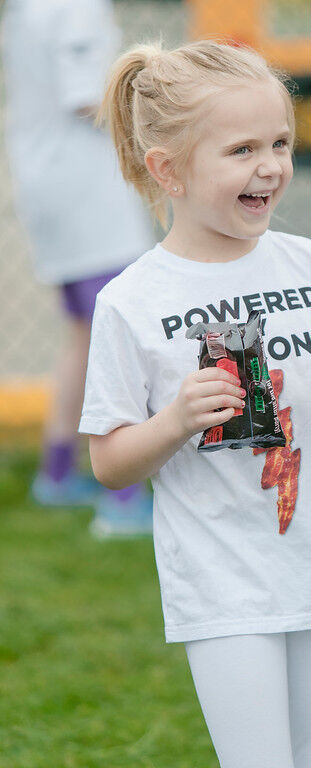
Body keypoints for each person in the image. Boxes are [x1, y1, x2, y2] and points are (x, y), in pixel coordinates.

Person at [78, 40, 311, 767]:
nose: (270, 165)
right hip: (223, 580)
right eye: (242, 149)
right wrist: (176, 420)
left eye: (280, 143)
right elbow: (109, 464)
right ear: (170, 171)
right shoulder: (131, 302)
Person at [2, 0, 155, 536]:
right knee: (125, 336)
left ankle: (59, 473)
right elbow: (87, 98)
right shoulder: (76, 6)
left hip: (48, 182)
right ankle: (125, 499)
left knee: (86, 335)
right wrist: (165, 130)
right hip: (85, 193)